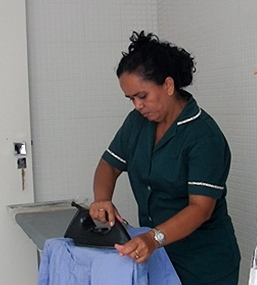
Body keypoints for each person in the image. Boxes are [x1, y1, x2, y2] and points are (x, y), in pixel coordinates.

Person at [89, 31, 241, 285]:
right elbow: (109, 165)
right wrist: (102, 199)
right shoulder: (137, 124)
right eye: (131, 99)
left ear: (168, 86)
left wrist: (153, 238)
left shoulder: (203, 136)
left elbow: (200, 209)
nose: (137, 106)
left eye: (142, 96)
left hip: (204, 265)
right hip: (158, 257)